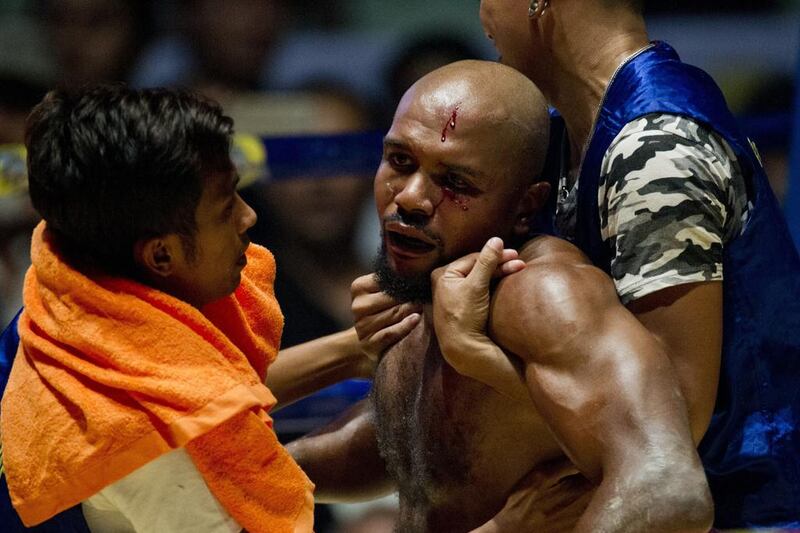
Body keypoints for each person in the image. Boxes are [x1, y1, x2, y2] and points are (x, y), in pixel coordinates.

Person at [287, 60, 713, 532]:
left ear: (526, 206)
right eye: (401, 161)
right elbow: (417, 452)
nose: (409, 197)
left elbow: (670, 490)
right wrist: (238, 478)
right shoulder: (429, 286)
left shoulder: (543, 292)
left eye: (455, 183)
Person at [427, 1, 800, 528]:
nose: (482, 13)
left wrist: (473, 354)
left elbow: (669, 439)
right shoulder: (569, 137)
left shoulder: (654, 148)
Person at [0, 85, 391, 532]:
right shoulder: (153, 452)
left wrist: (355, 350)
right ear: (161, 256)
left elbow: (202, 390)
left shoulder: (68, 292)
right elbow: (176, 416)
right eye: (226, 208)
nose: (249, 218)